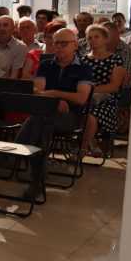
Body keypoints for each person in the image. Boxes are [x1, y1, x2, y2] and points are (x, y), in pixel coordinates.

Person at [16, 27, 93, 187]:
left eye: (63, 44)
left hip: (72, 116)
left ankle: (17, 152)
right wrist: (56, 101)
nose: (58, 47)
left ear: (75, 45)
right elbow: (38, 91)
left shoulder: (84, 68)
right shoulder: (46, 65)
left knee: (40, 119)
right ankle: (37, 178)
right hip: (46, 113)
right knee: (43, 121)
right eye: (56, 43)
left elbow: (81, 98)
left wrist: (54, 93)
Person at [82, 24, 126, 155]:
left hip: (107, 100)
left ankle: (82, 149)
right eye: (90, 38)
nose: (93, 40)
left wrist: (90, 89)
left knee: (90, 115)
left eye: (97, 37)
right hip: (84, 98)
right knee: (79, 110)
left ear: (105, 39)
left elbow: (114, 86)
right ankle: (92, 143)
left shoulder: (115, 59)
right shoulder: (83, 60)